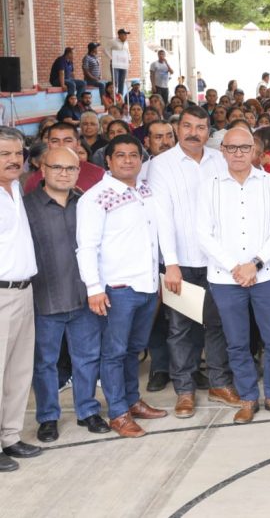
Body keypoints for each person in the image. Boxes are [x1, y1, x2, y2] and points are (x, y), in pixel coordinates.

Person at [148, 106, 240, 418]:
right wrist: (171, 263)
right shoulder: (161, 165)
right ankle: (184, 390)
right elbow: (162, 217)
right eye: (187, 126)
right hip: (182, 262)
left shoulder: (219, 159)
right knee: (180, 328)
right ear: (178, 128)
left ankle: (219, 383)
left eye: (201, 127)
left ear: (208, 131)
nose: (193, 133)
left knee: (217, 324)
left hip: (217, 262)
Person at [196, 127, 270, 424]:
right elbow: (203, 233)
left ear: (254, 151)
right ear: (222, 151)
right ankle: (249, 398)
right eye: (232, 148)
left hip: (266, 275)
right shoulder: (208, 186)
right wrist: (235, 267)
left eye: (244, 148)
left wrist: (255, 264)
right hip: (226, 279)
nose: (238, 153)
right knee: (236, 343)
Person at [76, 134, 166, 438]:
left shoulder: (145, 191)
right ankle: (118, 412)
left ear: (141, 160)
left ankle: (132, 400)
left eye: (133, 155)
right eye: (121, 155)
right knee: (114, 352)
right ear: (108, 160)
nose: (128, 160)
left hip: (147, 286)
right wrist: (94, 288)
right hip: (117, 288)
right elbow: (86, 247)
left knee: (134, 350)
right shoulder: (96, 198)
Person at [26, 146, 109, 443]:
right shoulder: (26, 207)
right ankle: (48, 417)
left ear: (78, 171)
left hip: (84, 297)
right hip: (45, 298)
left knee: (87, 358)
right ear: (43, 170)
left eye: (71, 168)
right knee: (45, 363)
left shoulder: (87, 203)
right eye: (57, 167)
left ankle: (88, 410)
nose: (64, 173)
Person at [0, 127, 43, 471]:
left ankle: (10, 437)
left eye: (18, 153)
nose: (14, 160)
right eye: (5, 154)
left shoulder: (17, 188)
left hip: (24, 291)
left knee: (18, 372)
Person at [107, 28, 131, 96]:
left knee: (122, 81)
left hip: (123, 64)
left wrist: (129, 59)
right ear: (120, 35)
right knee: (115, 81)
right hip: (115, 64)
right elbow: (105, 49)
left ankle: (120, 96)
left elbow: (128, 52)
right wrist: (111, 57)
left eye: (126, 35)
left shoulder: (126, 43)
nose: (126, 36)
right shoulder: (113, 41)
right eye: (125, 35)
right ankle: (113, 96)